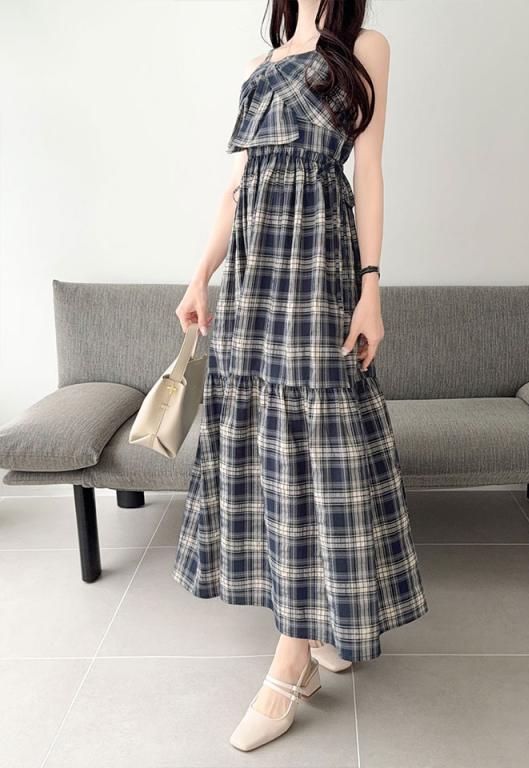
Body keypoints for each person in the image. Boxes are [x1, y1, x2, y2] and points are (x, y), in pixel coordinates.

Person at [173, 0, 428, 752]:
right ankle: (312, 631)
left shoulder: (365, 47)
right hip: (253, 277)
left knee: (322, 449)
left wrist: (371, 288)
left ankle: (289, 666)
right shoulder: (262, 66)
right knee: (270, 455)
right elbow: (236, 190)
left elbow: (369, 170)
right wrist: (200, 276)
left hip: (319, 265)